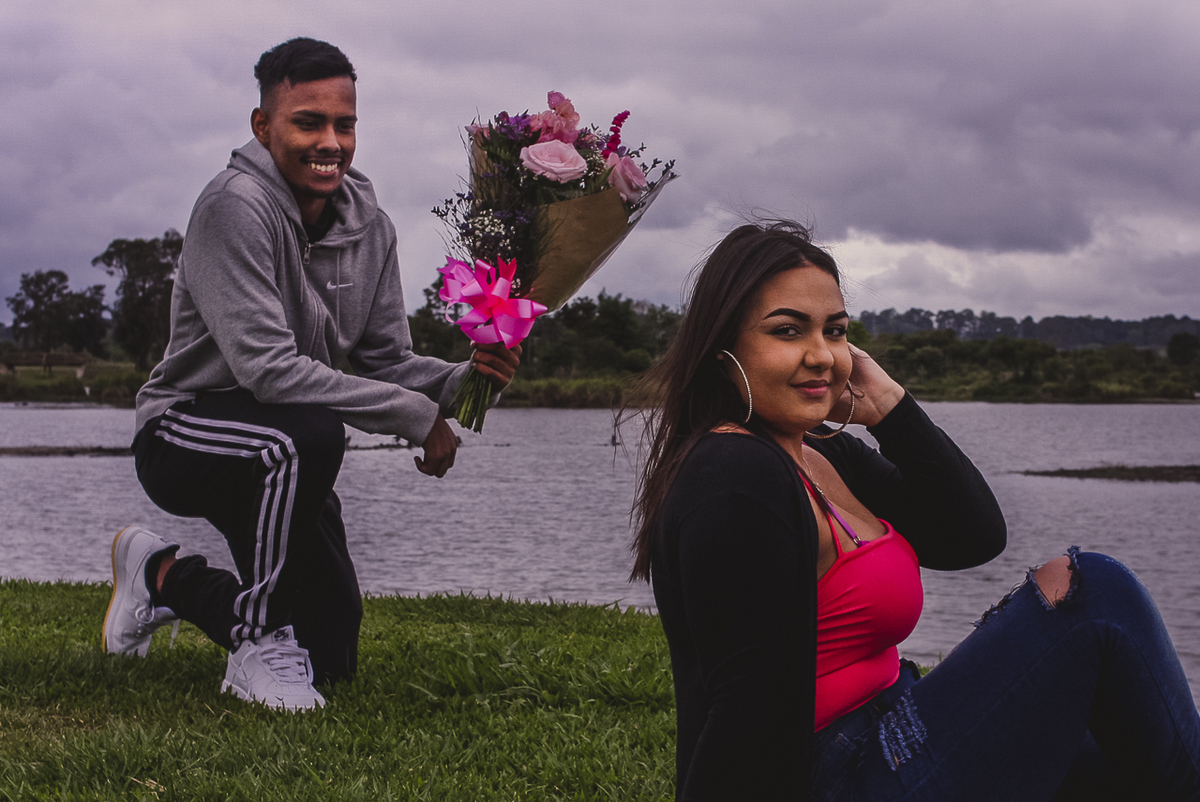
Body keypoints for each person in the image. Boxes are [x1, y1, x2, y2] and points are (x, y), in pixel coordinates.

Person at [628, 219, 1200, 800]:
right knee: (1095, 593)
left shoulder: (822, 451)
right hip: (840, 775)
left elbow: (971, 537)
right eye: (787, 330)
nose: (822, 355)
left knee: (1126, 749)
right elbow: (746, 711)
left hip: (896, 727)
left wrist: (890, 407)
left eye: (835, 331)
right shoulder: (735, 474)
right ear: (723, 350)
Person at [101, 38, 520, 712]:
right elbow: (267, 371)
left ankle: (161, 574)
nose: (330, 141)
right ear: (264, 127)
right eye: (308, 122)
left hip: (286, 451)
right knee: (310, 432)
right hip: (186, 431)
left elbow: (386, 358)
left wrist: (465, 379)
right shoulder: (233, 207)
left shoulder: (371, 227)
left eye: (344, 124)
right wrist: (414, 417)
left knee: (331, 656)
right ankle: (254, 644)